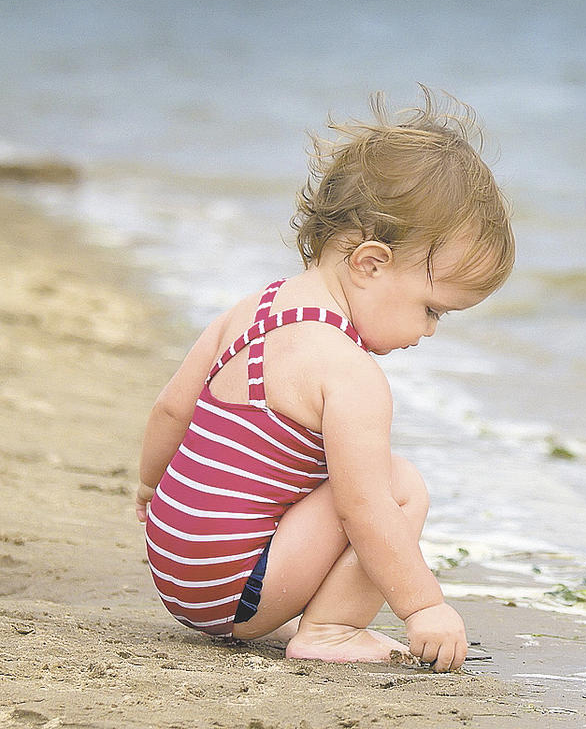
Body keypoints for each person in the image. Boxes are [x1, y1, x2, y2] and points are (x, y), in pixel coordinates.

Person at [134, 88, 513, 670]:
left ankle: (303, 613)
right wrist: (424, 607)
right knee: (399, 484)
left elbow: (169, 411)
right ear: (370, 263)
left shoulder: (251, 309)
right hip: (232, 592)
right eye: (433, 309)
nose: (431, 331)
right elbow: (363, 510)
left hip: (169, 564)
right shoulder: (349, 372)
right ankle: (331, 631)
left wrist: (149, 490)